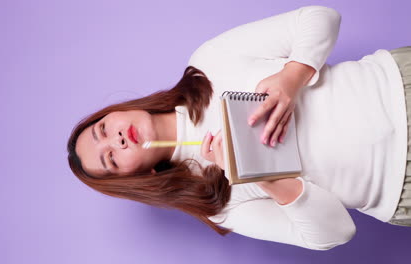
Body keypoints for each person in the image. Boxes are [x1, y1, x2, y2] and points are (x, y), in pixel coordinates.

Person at [67, 5, 411, 250]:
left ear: (114, 112)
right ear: (135, 180)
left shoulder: (208, 62)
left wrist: (291, 78)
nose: (116, 140)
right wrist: (261, 175)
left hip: (397, 83)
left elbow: (320, 17)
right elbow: (333, 234)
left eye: (103, 130)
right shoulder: (220, 205)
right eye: (111, 158)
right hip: (400, 186)